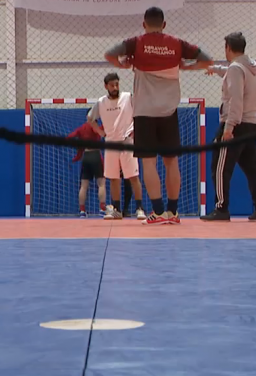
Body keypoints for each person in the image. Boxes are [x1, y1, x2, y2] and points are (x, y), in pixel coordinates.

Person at [105, 7, 213, 225]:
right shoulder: (177, 44)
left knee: (148, 163)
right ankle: (173, 212)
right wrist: (185, 66)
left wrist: (123, 63)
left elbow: (110, 54)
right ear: (164, 24)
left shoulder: (136, 42)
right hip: (169, 111)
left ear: (144, 24)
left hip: (144, 112)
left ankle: (158, 211)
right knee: (171, 162)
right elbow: (207, 60)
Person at [201, 32, 256, 222]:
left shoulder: (236, 69)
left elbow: (236, 98)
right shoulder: (250, 65)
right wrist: (216, 69)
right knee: (252, 167)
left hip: (236, 124)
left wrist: (229, 128)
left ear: (228, 48)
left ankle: (221, 208)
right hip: (252, 124)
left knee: (220, 168)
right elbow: (232, 72)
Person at [86, 72, 145, 220]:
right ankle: (117, 209)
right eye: (112, 85)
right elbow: (90, 118)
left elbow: (140, 112)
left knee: (133, 176)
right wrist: (100, 131)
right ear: (106, 86)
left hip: (127, 142)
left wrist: (136, 130)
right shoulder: (101, 102)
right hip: (111, 142)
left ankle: (140, 208)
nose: (115, 87)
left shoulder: (128, 97)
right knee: (113, 178)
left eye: (117, 84)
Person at [68, 120, 107, 218]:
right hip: (95, 155)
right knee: (101, 184)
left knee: (84, 186)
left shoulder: (81, 128)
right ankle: (102, 209)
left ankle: (82, 211)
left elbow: (69, 137)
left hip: (86, 156)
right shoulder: (96, 127)